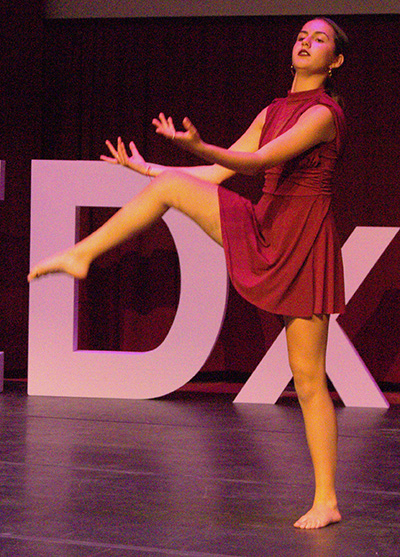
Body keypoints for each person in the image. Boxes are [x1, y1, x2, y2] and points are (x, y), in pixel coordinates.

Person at [28, 17, 349, 529]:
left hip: (303, 240)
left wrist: (195, 146)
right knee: (167, 190)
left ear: (334, 61)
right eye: (301, 35)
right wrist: (148, 169)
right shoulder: (273, 109)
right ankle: (82, 255)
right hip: (262, 219)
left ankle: (326, 499)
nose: (306, 42)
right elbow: (222, 172)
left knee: (308, 380)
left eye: (320, 39)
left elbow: (256, 161)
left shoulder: (324, 114)